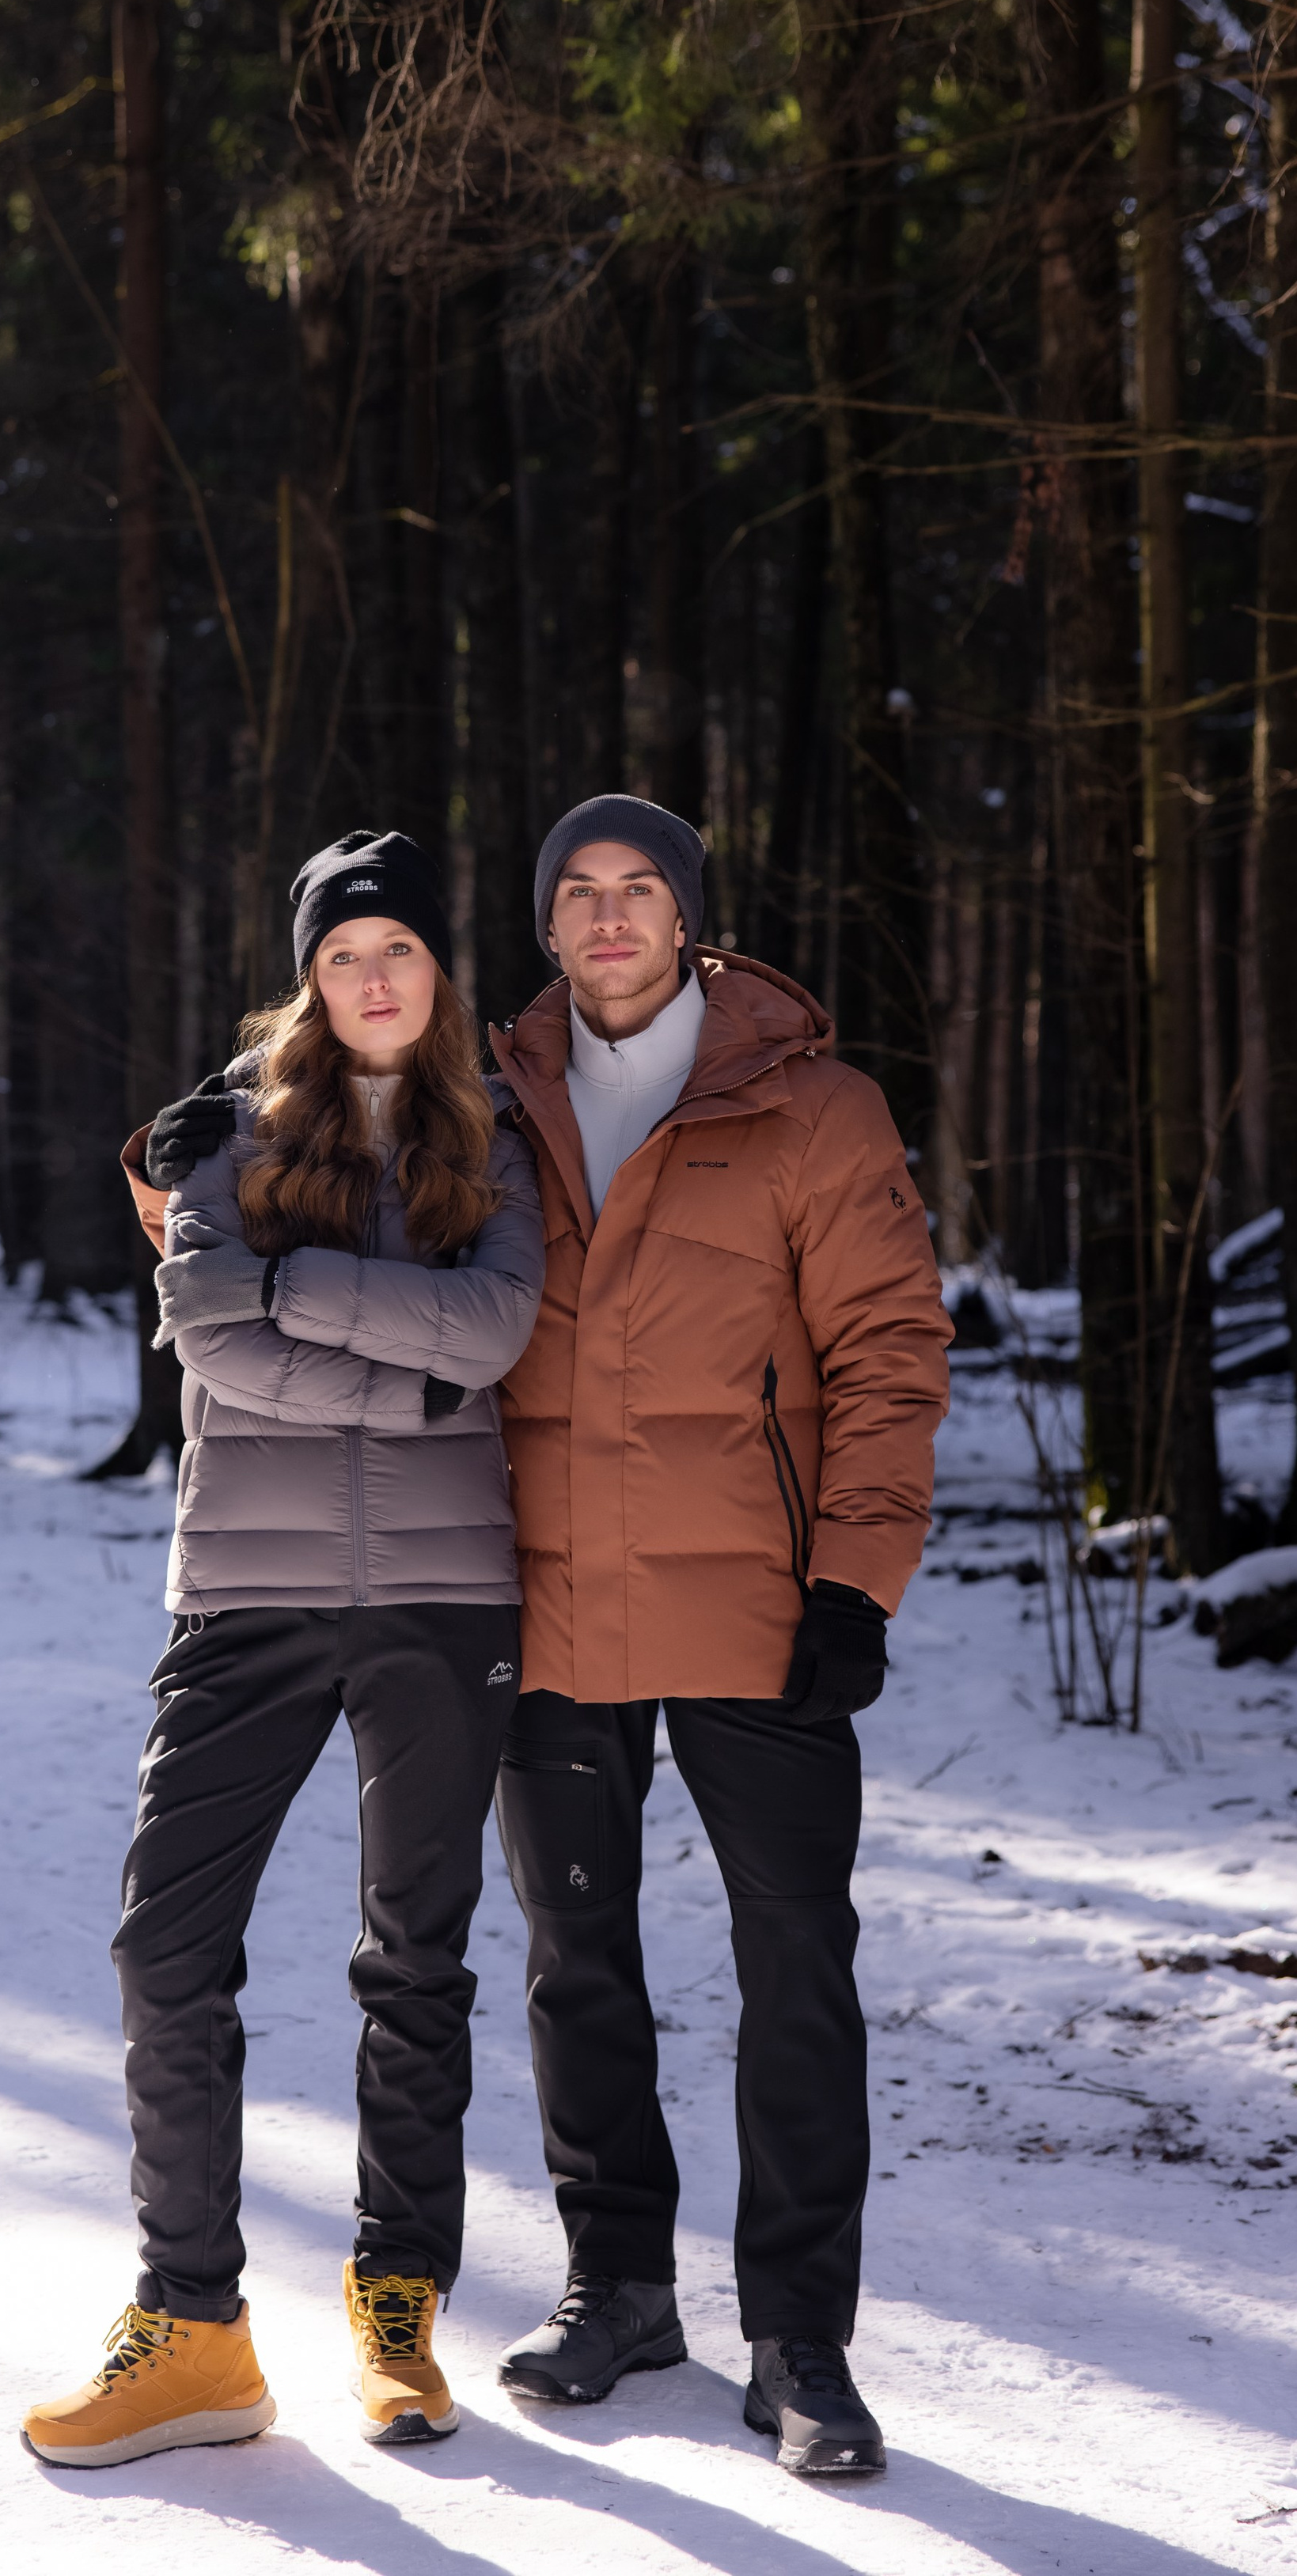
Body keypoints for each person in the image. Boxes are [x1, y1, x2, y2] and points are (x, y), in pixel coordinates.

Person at [20, 830, 544, 2469]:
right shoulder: (220, 1132)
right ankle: (191, 2325)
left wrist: (294, 1277)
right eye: (341, 955)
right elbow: (216, 1347)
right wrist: (409, 1369)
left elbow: (498, 1330)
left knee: (417, 1956)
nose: (372, 978)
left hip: (447, 1601)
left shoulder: (502, 1132)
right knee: (163, 1942)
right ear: (309, 979)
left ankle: (398, 2308)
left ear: (435, 973)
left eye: (397, 950)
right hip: (242, 1594)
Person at [483, 797, 950, 2480]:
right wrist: (168, 1185)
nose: (609, 917)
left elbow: (890, 1346)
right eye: (578, 894)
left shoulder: (809, 1107)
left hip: (760, 1602)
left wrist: (854, 1577)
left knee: (792, 1964)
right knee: (572, 1956)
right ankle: (615, 2285)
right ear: (546, 926)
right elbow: (314, 1214)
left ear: (687, 917)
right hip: (538, 1598)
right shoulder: (488, 1102)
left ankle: (797, 2331)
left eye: (639, 889)